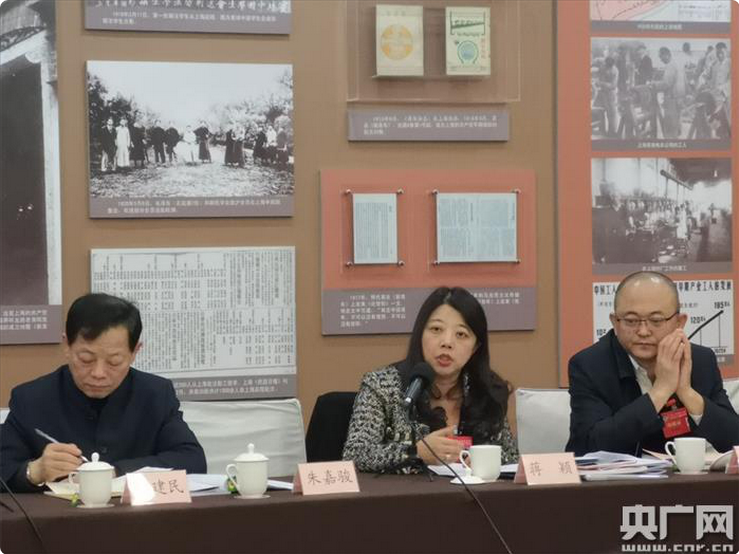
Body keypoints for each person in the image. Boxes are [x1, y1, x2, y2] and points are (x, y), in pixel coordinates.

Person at [0, 293, 206, 492]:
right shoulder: (31, 399)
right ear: (67, 345)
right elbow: (4, 468)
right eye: (86, 359)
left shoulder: (155, 395)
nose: (98, 373)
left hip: (138, 515)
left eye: (114, 361)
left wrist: (116, 473)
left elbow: (192, 460)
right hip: (56, 516)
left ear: (135, 351)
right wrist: (33, 472)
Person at [343, 286, 518, 473]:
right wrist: (415, 452)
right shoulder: (383, 386)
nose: (447, 342)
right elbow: (355, 455)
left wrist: (483, 460)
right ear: (420, 335)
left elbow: (511, 460)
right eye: (436, 329)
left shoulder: (487, 391)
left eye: (461, 334)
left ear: (475, 347)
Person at [566, 272, 739, 456]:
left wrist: (686, 392)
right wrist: (660, 391)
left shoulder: (700, 360)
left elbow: (734, 440)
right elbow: (588, 446)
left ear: (679, 322)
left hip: (684, 475)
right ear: (615, 322)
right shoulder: (589, 365)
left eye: (656, 321)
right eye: (631, 321)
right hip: (619, 475)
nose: (643, 331)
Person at [651, 47, 686, 139]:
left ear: (666, 55)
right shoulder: (678, 64)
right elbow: (685, 81)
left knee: (670, 128)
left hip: (671, 99)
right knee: (676, 125)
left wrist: (654, 84)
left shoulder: (670, 66)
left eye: (661, 57)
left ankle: (671, 144)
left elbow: (666, 84)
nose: (660, 59)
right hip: (679, 98)